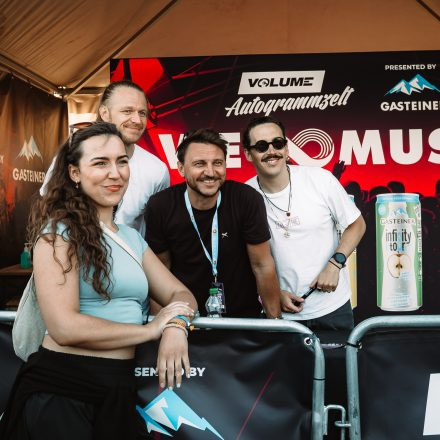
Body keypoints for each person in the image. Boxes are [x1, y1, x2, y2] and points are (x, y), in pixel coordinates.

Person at [0, 123, 197, 440]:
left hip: (118, 388)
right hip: (63, 389)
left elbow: (181, 293)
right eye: (100, 163)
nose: (115, 173)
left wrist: (176, 326)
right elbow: (64, 327)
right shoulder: (58, 233)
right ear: (74, 173)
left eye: (122, 161)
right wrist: (150, 330)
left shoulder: (132, 238)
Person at [243, 116, 366, 330]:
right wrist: (272, 294)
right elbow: (246, 260)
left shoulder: (320, 179)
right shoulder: (245, 195)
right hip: (279, 312)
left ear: (286, 148)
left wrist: (335, 264)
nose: (272, 151)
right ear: (248, 154)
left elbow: (357, 224)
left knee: (339, 355)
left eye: (278, 143)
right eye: (262, 146)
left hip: (332, 308)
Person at [145, 128, 282, 318]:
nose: (210, 172)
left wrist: (275, 323)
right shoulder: (161, 206)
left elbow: (262, 266)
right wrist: (160, 327)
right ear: (181, 168)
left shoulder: (246, 199)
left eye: (217, 163)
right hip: (185, 319)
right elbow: (160, 274)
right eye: (199, 164)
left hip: (243, 319)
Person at [41, 80, 169, 235]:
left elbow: (158, 230)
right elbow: (49, 209)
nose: (137, 120)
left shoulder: (157, 170)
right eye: (127, 111)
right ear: (104, 113)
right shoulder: (74, 154)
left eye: (142, 113)